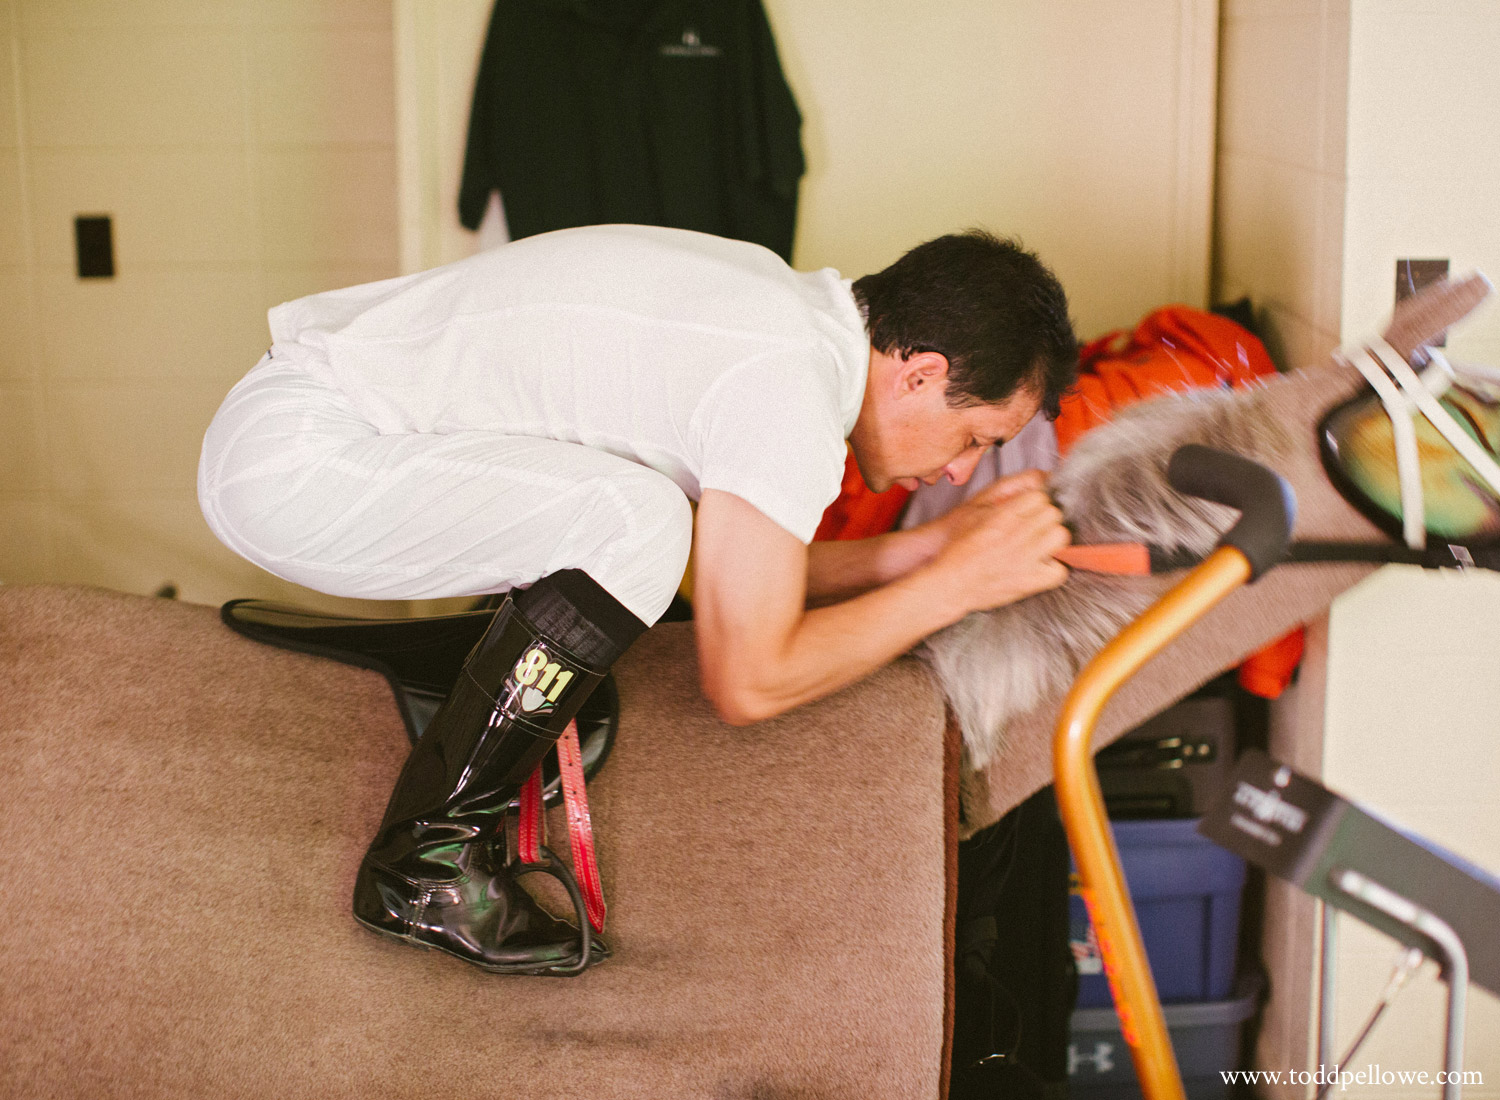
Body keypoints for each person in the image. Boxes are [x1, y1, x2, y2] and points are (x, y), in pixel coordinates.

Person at [197, 224, 1078, 975]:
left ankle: (466, 693)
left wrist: (926, 550)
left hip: (302, 434)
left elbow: (729, 581)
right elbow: (750, 677)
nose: (961, 470)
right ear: (921, 373)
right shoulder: (788, 388)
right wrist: (953, 585)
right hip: (301, 460)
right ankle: (422, 863)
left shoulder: (787, 322)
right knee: (638, 517)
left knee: (643, 529)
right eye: (975, 438)